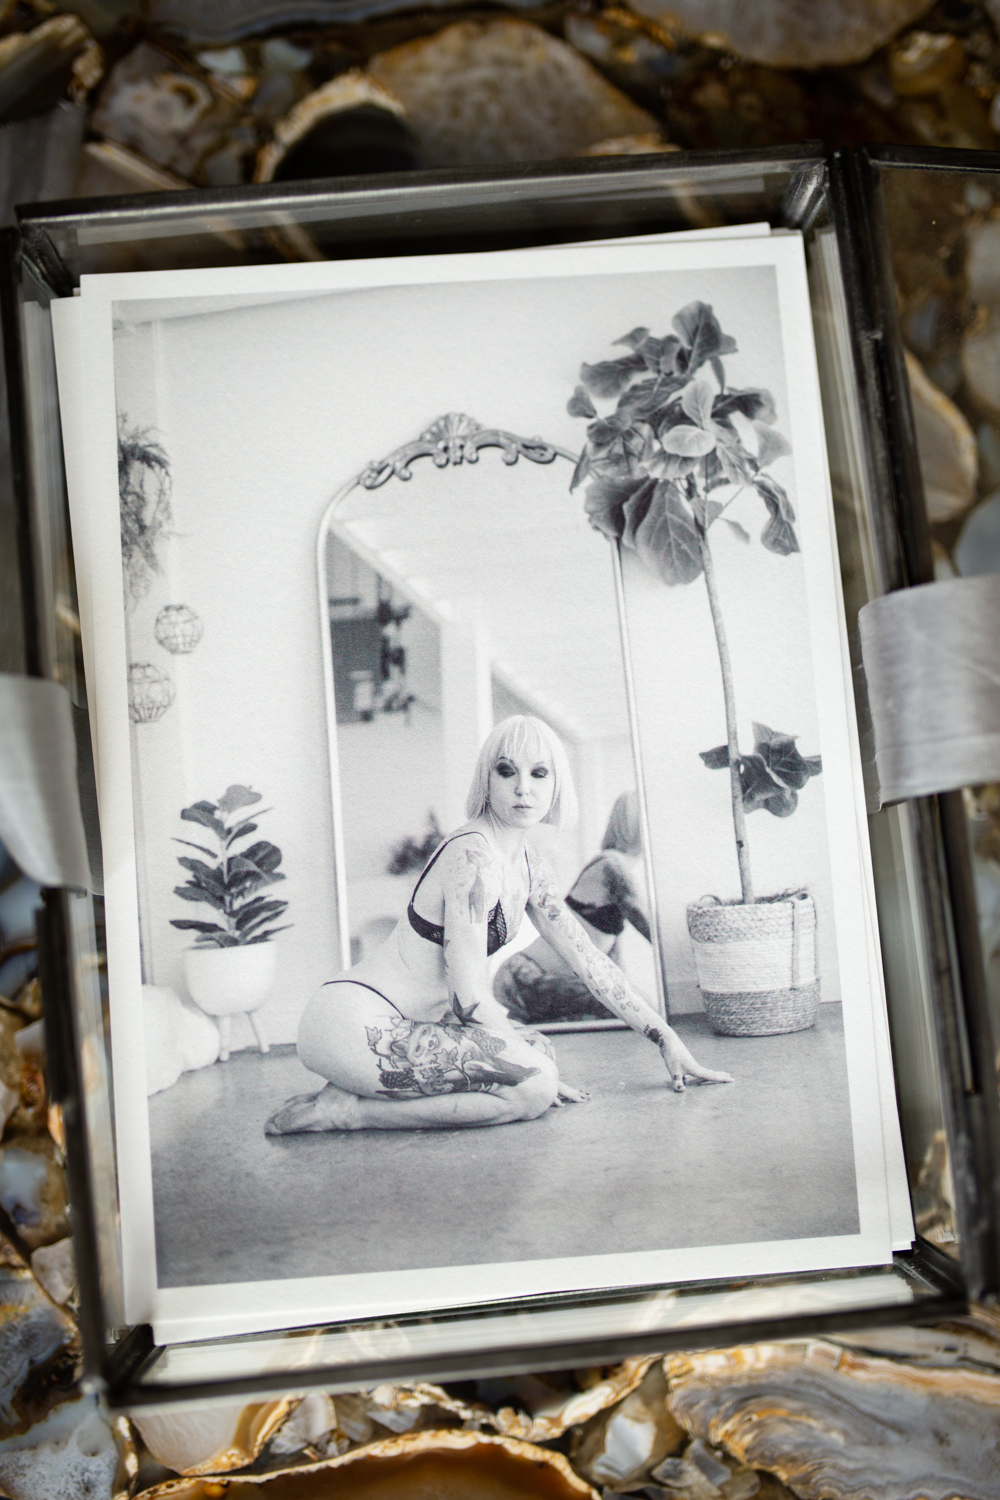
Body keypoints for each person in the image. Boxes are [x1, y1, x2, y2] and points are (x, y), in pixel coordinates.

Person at [265, 716, 731, 1136]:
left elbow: (590, 962)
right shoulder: (472, 854)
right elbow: (468, 997)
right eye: (507, 771)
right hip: (352, 1020)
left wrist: (667, 1039)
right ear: (487, 780)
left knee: (541, 1052)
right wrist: (522, 1070)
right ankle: (346, 1111)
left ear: (556, 785)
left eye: (539, 773)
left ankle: (354, 1090)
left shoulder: (528, 864)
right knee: (535, 1086)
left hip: (409, 1024)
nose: (523, 788)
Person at [494, 790, 655, 1025]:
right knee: (642, 1009)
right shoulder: (613, 865)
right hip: (525, 976)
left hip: (521, 975)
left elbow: (609, 959)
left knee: (637, 1008)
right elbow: (650, 928)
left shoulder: (611, 865)